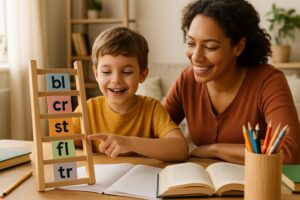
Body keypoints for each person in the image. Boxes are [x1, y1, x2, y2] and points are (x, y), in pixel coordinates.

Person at [163, 0, 300, 164]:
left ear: (238, 47)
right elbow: (155, 131)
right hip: (203, 181)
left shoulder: (268, 81)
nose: (196, 57)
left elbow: (289, 152)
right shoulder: (187, 80)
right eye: (191, 43)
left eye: (211, 47)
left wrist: (215, 149)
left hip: (259, 184)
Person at [73, 27, 189, 162]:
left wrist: (130, 143)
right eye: (106, 72)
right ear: (96, 74)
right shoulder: (86, 110)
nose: (116, 80)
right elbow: (60, 145)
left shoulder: (152, 109)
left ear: (142, 75)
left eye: (127, 72)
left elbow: (181, 149)